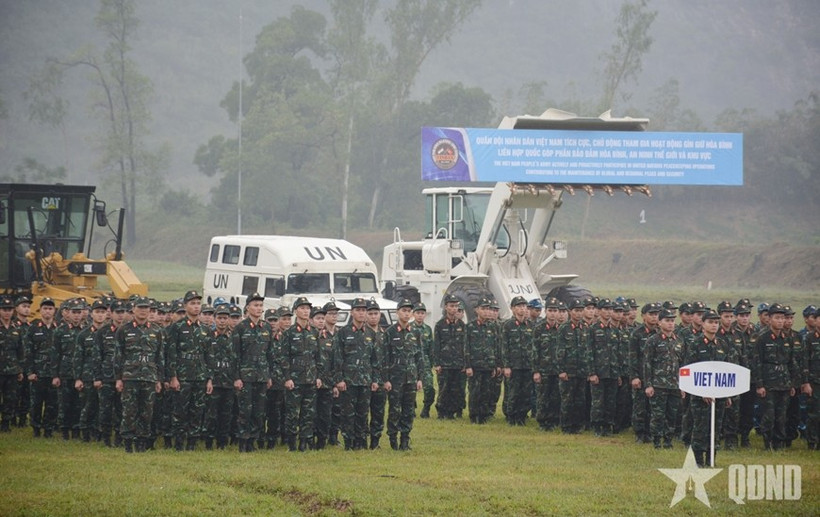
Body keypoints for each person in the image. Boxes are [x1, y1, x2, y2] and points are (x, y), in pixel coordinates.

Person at [686, 309, 737, 466]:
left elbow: (726, 370)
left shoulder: (723, 344)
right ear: (703, 324)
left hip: (719, 394)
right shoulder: (695, 344)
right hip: (700, 395)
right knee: (700, 427)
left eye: (716, 322)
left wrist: (727, 394)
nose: (714, 325)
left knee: (716, 427)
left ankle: (711, 458)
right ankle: (698, 460)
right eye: (710, 322)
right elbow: (690, 369)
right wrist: (701, 392)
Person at [115, 296, 164, 453]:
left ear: (150, 310)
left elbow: (160, 356)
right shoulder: (124, 329)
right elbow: (118, 355)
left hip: (149, 376)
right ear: (133, 309)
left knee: (146, 412)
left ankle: (142, 443)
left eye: (146, 307)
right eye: (140, 307)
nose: (143, 310)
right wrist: (118, 378)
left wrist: (159, 379)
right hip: (130, 376)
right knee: (129, 411)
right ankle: (128, 442)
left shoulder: (156, 330)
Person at [166, 290, 212, 451]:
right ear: (185, 306)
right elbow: (171, 353)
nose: (196, 306)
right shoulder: (177, 327)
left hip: (200, 375)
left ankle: (192, 444)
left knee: (197, 410)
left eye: (198, 303)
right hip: (182, 375)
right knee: (180, 411)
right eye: (192, 303)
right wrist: (173, 377)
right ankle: (179, 443)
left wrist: (209, 378)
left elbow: (208, 355)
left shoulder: (205, 329)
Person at [332, 297, 380, 450]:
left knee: (362, 413)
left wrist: (374, 379)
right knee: (348, 414)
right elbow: (337, 358)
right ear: (352, 312)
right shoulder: (343, 333)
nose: (361, 313)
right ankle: (348, 443)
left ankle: (361, 442)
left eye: (363, 310)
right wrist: (339, 379)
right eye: (358, 310)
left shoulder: (370, 334)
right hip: (348, 381)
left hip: (365, 380)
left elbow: (374, 359)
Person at [752, 303, 800, 450]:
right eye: (777, 318)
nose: (780, 321)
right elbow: (756, 362)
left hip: (784, 383)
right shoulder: (762, 338)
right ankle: (768, 443)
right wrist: (759, 385)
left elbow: (792, 363)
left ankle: (779, 444)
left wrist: (792, 384)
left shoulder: (788, 338)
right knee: (769, 416)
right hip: (768, 383)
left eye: (782, 318)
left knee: (782, 415)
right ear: (770, 319)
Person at [232, 292, 274, 452]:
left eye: (261, 305)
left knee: (259, 411)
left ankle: (252, 442)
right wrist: (236, 377)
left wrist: (269, 375)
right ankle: (243, 442)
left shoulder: (267, 327)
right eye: (255, 305)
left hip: (262, 376)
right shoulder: (240, 328)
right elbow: (234, 355)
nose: (258, 308)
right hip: (245, 377)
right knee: (245, 410)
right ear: (248, 308)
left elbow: (269, 354)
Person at [383, 298, 424, 450]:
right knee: (394, 409)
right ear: (397, 312)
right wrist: (386, 379)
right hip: (395, 379)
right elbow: (385, 358)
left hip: (411, 378)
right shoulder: (389, 332)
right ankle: (393, 439)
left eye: (409, 311)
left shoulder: (415, 333)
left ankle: (405, 439)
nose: (407, 314)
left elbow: (419, 357)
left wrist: (420, 378)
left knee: (408, 410)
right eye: (404, 311)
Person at [282, 297, 321, 452]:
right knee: (292, 413)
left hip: (310, 378)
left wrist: (318, 376)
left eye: (307, 308)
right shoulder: (289, 333)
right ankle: (292, 442)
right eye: (302, 308)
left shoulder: (314, 332)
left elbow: (318, 357)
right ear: (295, 311)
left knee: (308, 413)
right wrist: (287, 378)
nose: (305, 311)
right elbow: (283, 357)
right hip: (295, 379)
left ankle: (304, 442)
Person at [643, 309, 682, 448]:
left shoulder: (678, 341)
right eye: (667, 320)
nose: (671, 323)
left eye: (672, 320)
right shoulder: (652, 341)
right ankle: (656, 440)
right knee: (658, 415)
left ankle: (668, 440)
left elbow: (682, 365)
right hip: (658, 384)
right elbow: (647, 364)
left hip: (674, 385)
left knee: (672, 415)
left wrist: (683, 385)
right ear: (660, 323)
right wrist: (648, 384)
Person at [72, 299, 107, 442]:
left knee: (103, 407)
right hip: (87, 376)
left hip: (105, 375)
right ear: (91, 314)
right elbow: (78, 358)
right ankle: (85, 433)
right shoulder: (83, 334)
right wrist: (78, 378)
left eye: (103, 312)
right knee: (88, 406)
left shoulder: (110, 333)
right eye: (97, 312)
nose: (100, 315)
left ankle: (98, 433)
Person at [203, 304, 236, 450]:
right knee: (211, 414)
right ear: (215, 319)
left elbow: (236, 360)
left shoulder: (233, 337)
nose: (222, 321)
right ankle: (209, 441)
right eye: (220, 318)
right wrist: (208, 378)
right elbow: (205, 358)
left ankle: (222, 442)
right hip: (214, 381)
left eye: (225, 318)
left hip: (228, 381)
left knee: (226, 414)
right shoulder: (208, 336)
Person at [586, 298, 621, 437]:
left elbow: (617, 353)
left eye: (610, 309)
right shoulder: (592, 329)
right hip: (599, 373)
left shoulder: (614, 330)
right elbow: (589, 352)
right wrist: (591, 373)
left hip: (612, 372)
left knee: (611, 401)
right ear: (599, 311)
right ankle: (597, 426)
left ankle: (607, 425)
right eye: (605, 309)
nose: (608, 312)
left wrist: (618, 373)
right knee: (598, 402)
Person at [25, 297, 59, 438]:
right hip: (38, 373)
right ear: (40, 310)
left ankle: (49, 429)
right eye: (45, 308)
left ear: (54, 311)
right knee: (36, 403)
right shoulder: (33, 329)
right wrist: (30, 372)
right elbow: (28, 352)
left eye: (50, 309)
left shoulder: (59, 329)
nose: (47, 311)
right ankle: (36, 429)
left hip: (53, 373)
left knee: (52, 403)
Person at [52, 298, 85, 440]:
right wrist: (55, 375)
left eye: (79, 312)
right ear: (68, 313)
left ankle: (77, 430)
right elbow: (55, 354)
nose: (76, 315)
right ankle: (65, 431)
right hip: (65, 372)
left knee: (79, 403)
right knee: (64, 403)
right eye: (74, 312)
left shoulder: (87, 330)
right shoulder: (60, 331)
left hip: (82, 373)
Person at [556, 299, 589, 434]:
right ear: (570, 312)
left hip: (582, 371)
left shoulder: (586, 328)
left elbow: (588, 350)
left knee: (580, 400)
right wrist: (561, 370)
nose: (579, 314)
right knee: (567, 399)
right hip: (568, 371)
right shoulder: (564, 328)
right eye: (576, 311)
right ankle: (566, 426)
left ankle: (577, 425)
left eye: (581, 311)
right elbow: (559, 351)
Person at [628, 302, 660, 443]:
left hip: (656, 376)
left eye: (656, 314)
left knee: (654, 407)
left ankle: (652, 432)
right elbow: (632, 357)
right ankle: (640, 434)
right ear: (643, 316)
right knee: (640, 406)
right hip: (641, 374)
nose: (654, 317)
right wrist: (634, 376)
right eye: (651, 314)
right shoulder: (637, 333)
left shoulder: (660, 333)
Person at [465, 298, 500, 424]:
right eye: (483, 308)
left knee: (486, 392)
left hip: (489, 365)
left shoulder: (493, 326)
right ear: (476, 310)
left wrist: (496, 365)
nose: (486, 311)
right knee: (475, 392)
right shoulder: (470, 326)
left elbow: (496, 346)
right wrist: (468, 365)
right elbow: (466, 347)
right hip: (475, 365)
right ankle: (474, 416)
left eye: (488, 308)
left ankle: (484, 416)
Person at [432, 294, 466, 419]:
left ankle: (452, 412)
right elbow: (436, 345)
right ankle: (441, 412)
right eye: (451, 306)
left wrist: (465, 363)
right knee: (444, 389)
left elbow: (465, 346)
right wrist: (437, 363)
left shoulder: (462, 325)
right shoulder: (440, 325)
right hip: (444, 363)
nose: (454, 309)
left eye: (456, 306)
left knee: (456, 389)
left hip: (458, 363)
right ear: (446, 307)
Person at [97, 299, 125, 447]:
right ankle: (106, 438)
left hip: (125, 377)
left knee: (122, 410)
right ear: (111, 313)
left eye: (123, 312)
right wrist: (97, 377)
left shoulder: (128, 330)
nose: (120, 316)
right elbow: (97, 356)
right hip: (107, 377)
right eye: (117, 312)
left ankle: (119, 438)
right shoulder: (103, 332)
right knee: (106, 410)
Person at [501, 296, 533, 426]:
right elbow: (504, 347)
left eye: (524, 306)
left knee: (525, 393)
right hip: (514, 366)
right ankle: (511, 416)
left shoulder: (530, 325)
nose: (523, 309)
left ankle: (522, 416)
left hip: (527, 365)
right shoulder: (508, 325)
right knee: (513, 392)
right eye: (519, 306)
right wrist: (506, 366)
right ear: (513, 309)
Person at [532, 297, 561, 431]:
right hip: (543, 370)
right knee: (543, 397)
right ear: (546, 312)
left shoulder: (561, 329)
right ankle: (543, 422)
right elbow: (535, 351)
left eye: (555, 310)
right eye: (550, 310)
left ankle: (554, 420)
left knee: (556, 397)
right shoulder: (539, 329)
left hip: (557, 370)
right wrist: (536, 371)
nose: (553, 313)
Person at [0, 295, 24, 432]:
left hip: (12, 370)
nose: (7, 312)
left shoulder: (16, 328)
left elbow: (20, 351)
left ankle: (6, 423)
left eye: (9, 309)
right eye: (4, 309)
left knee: (10, 398)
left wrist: (20, 370)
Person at [365, 299, 387, 448]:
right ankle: (360, 440)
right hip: (363, 378)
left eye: (376, 313)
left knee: (378, 411)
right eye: (370, 313)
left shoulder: (385, 334)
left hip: (381, 379)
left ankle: (375, 440)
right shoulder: (361, 333)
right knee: (361, 411)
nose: (373, 316)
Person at [312, 304, 334, 450]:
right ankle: (309, 439)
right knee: (311, 412)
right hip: (311, 380)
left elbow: (334, 361)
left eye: (322, 318)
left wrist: (334, 382)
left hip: (327, 381)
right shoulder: (309, 336)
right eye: (317, 318)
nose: (320, 321)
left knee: (325, 413)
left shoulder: (329, 337)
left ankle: (322, 440)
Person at [409, 303, 435, 419]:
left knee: (429, 388)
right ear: (413, 314)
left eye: (422, 313)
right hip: (412, 363)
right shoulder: (409, 328)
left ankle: (426, 409)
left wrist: (431, 363)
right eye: (418, 313)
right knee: (411, 388)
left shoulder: (428, 329)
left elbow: (431, 348)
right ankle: (411, 409)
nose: (420, 315)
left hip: (425, 363)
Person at [13, 296, 32, 428]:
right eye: (23, 306)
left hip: (28, 366)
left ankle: (23, 419)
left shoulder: (31, 327)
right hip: (15, 366)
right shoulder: (13, 325)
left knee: (27, 394)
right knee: (14, 394)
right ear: (16, 308)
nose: (26, 309)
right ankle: (11, 418)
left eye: (28, 306)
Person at [803, 307, 819, 449]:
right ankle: (812, 441)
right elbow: (805, 361)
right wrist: (806, 382)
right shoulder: (809, 338)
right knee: (814, 413)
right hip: (814, 382)